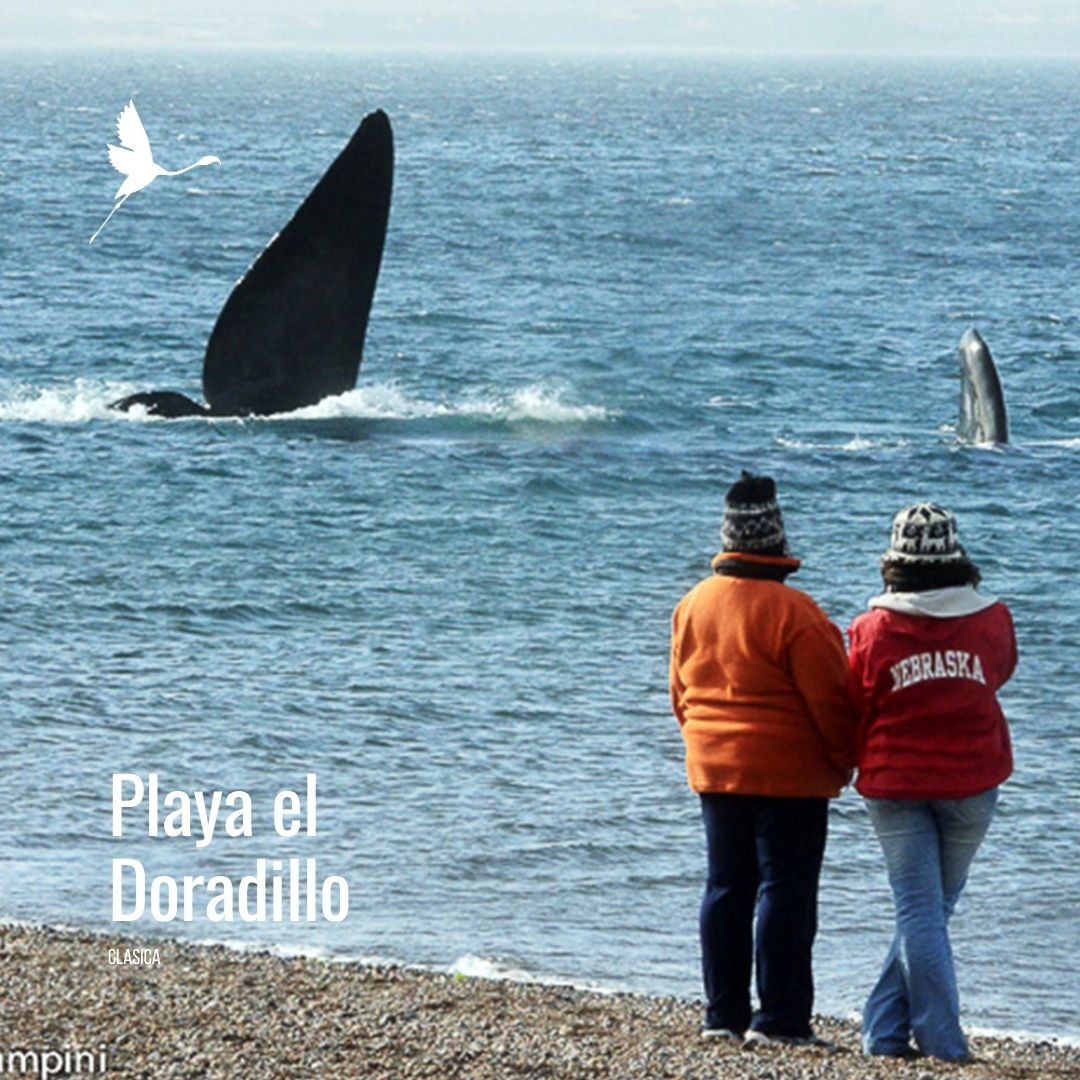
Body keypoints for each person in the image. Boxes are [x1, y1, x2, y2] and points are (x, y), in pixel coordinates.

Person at [670, 471, 858, 1047]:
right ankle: (779, 1020)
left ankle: (721, 1016)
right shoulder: (797, 613)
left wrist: (706, 743)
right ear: (777, 539)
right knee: (786, 890)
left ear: (728, 541)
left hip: (715, 767)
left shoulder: (692, 605)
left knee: (726, 888)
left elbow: (680, 693)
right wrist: (842, 764)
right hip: (790, 775)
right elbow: (833, 702)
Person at [848, 502, 1017, 1061]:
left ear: (893, 563)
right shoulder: (992, 618)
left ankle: (886, 1033)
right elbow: (1001, 670)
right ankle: (939, 1042)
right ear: (956, 557)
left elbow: (858, 697)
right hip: (972, 779)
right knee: (930, 909)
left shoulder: (871, 629)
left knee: (920, 909)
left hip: (894, 783)